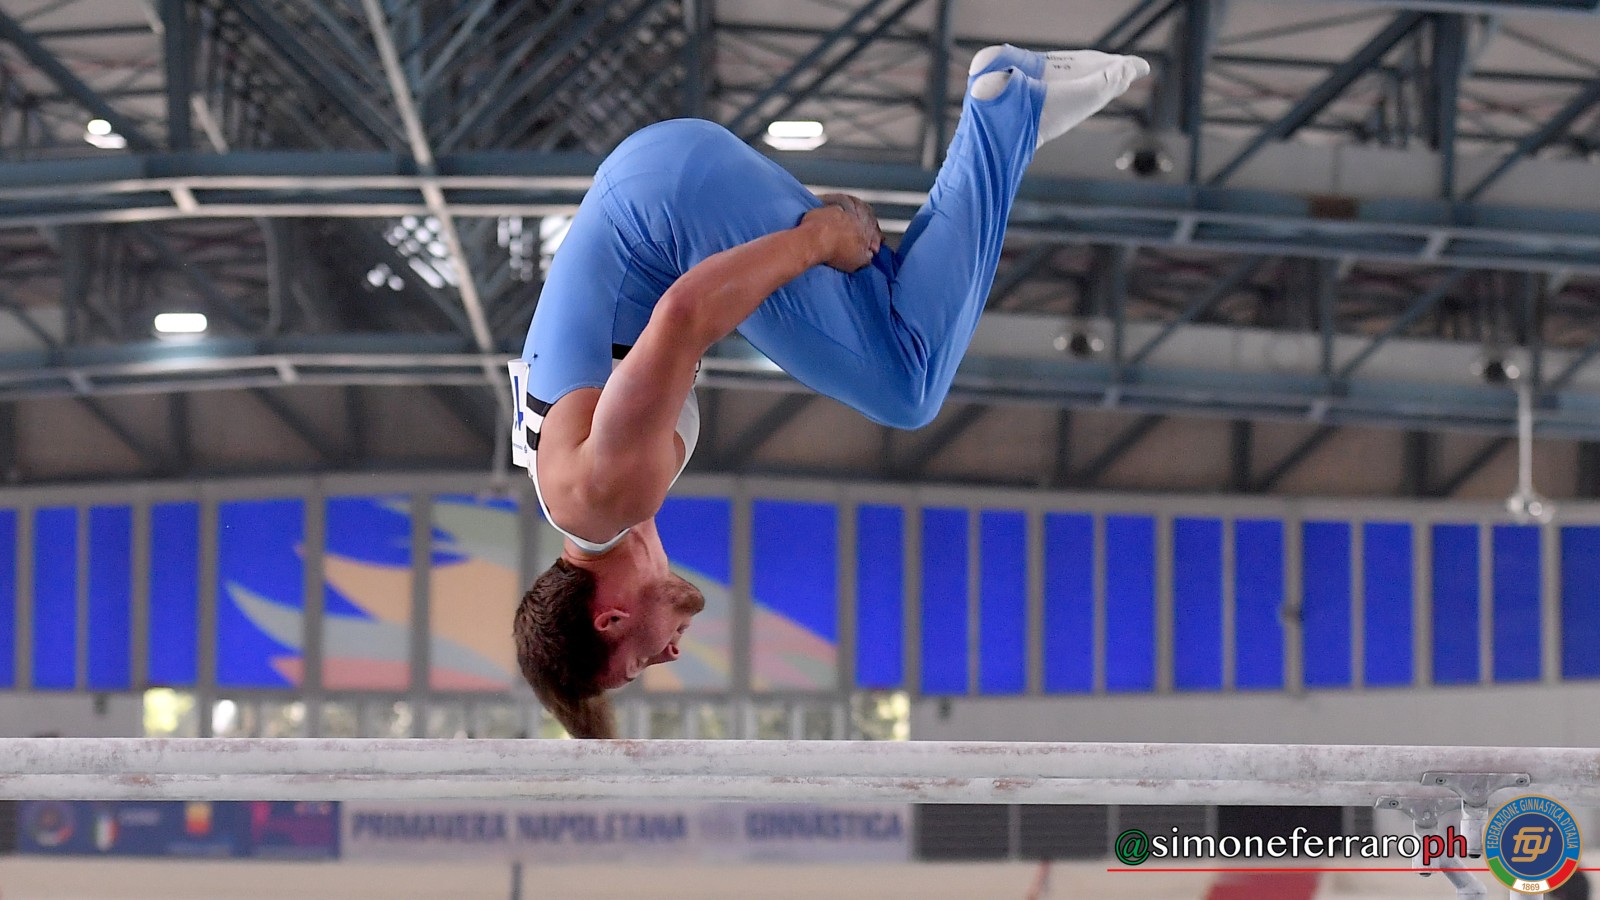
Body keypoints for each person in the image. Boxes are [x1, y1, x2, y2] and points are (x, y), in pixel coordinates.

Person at [510, 45, 1150, 737]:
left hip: (674, 208)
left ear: (609, 619)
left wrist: (818, 240)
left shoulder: (608, 497)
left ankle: (1007, 114)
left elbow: (686, 315)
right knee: (889, 326)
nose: (670, 655)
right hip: (658, 177)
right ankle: (1008, 115)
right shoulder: (570, 497)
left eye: (638, 665)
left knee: (906, 386)